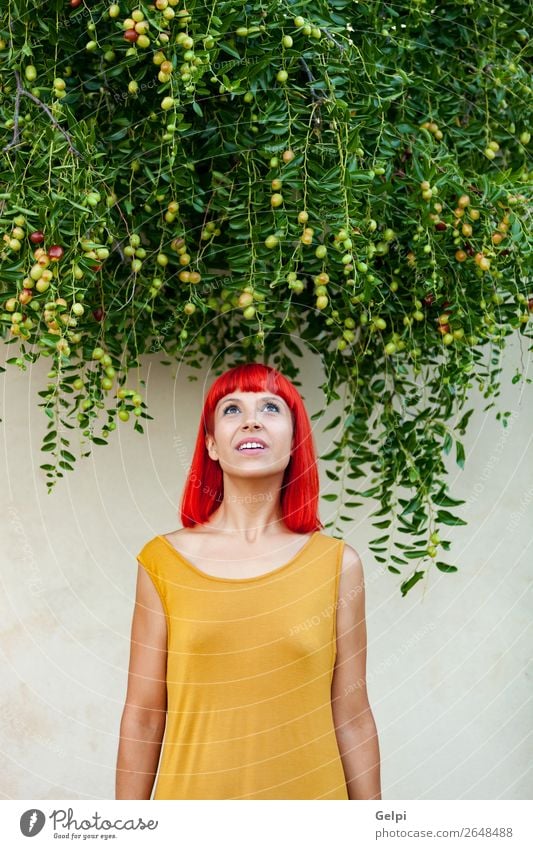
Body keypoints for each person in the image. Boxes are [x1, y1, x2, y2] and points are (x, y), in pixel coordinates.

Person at [115, 362, 381, 799]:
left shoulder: (338, 565)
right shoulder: (162, 563)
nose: (252, 419)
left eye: (271, 408)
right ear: (212, 446)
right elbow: (143, 714)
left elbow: (352, 716)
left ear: (295, 443)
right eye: (232, 409)